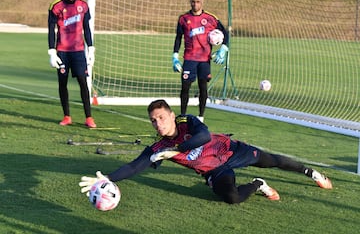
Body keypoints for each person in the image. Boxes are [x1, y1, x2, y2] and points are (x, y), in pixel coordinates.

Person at [79, 99, 333, 205]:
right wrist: (108, 179)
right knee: (231, 198)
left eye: (161, 117)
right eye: (153, 121)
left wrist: (177, 149)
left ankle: (312, 173)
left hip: (232, 151)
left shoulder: (186, 122)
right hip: (215, 169)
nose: (158, 123)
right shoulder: (157, 148)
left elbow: (204, 136)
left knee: (273, 160)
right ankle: (258, 184)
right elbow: (135, 166)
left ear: (170, 115)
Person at [172, 0, 229, 123]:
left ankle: (201, 116)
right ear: (190, 2)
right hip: (189, 58)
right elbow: (178, 38)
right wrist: (175, 55)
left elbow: (225, 34)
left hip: (204, 60)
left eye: (197, 2)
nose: (195, 4)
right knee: (185, 86)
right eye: (193, 2)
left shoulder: (210, 18)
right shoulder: (183, 19)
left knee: (203, 86)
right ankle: (183, 116)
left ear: (202, 1)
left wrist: (224, 49)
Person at [48, 0, 96, 128]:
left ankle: (89, 117)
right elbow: (51, 30)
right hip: (62, 52)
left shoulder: (83, 6)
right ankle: (67, 116)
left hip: (78, 51)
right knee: (62, 82)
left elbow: (86, 28)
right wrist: (52, 51)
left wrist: (91, 47)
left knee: (82, 81)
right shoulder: (55, 6)